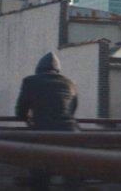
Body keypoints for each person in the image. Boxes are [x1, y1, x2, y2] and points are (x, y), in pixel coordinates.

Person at [16, 51, 80, 190]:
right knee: (73, 179)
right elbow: (73, 110)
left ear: (38, 70)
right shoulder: (70, 83)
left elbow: (20, 112)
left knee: (40, 178)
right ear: (58, 70)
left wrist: (30, 119)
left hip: (43, 135)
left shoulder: (30, 81)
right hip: (71, 135)